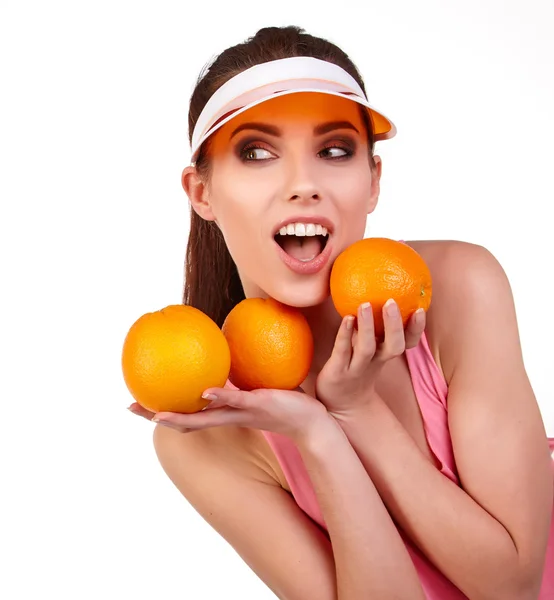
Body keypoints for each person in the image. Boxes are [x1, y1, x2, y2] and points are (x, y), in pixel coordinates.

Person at [128, 25, 554, 599]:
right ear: (201, 192)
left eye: (334, 151)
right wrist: (320, 434)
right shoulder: (200, 434)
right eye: (256, 152)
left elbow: (516, 586)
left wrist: (360, 411)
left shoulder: (458, 288)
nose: (303, 184)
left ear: (373, 180)